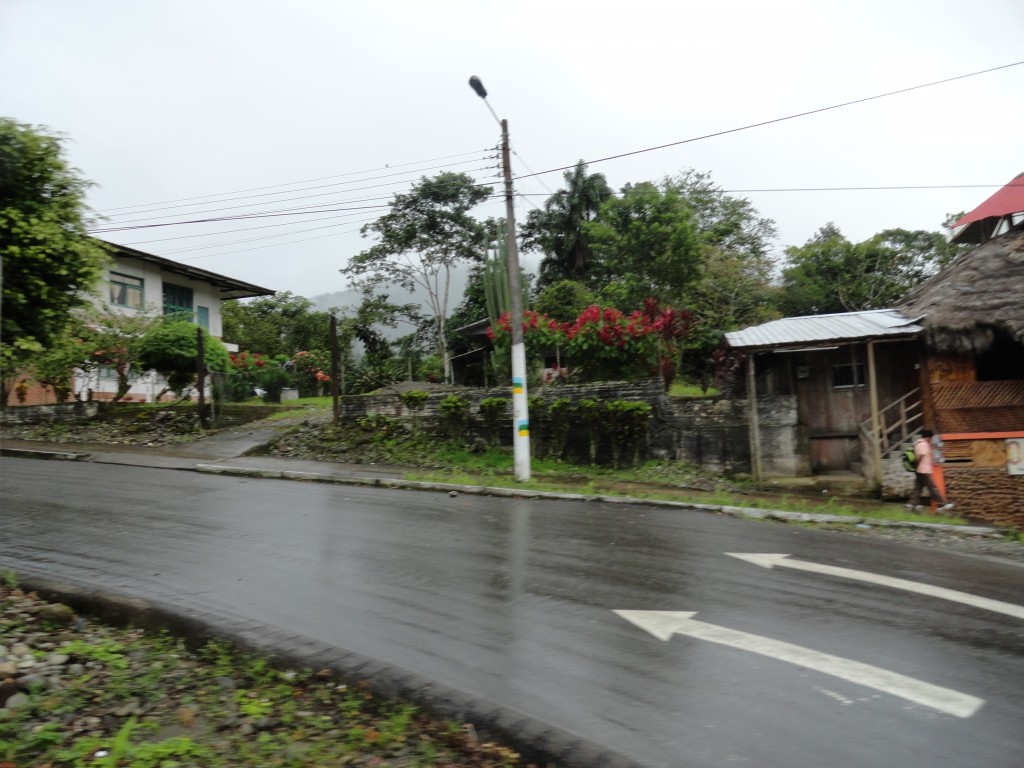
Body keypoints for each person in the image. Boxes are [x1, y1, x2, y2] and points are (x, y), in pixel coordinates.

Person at [906, 429, 954, 512]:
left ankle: (911, 504)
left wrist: (916, 468)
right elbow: (919, 457)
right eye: (931, 438)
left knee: (918, 487)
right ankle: (942, 504)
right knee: (933, 488)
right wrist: (917, 466)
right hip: (924, 470)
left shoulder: (917, 443)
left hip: (920, 470)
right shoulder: (923, 445)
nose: (931, 440)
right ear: (928, 437)